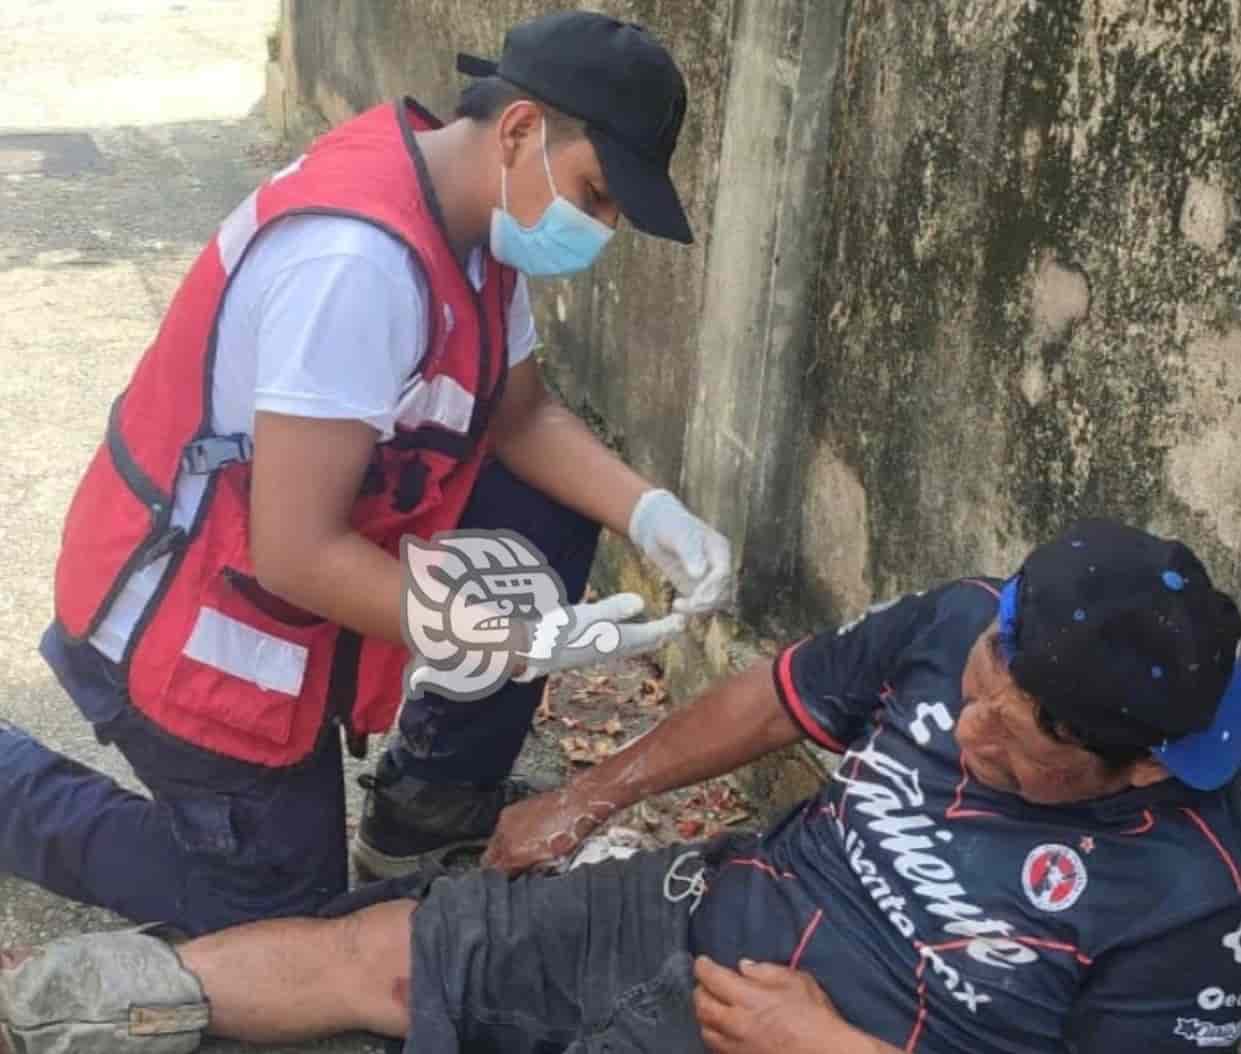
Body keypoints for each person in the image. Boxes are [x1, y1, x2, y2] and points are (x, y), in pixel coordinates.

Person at [0, 10, 733, 938]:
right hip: (183, 624)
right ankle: (10, 786)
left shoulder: (471, 219)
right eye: (594, 193)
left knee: (548, 492)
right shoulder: (356, 265)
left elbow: (520, 414)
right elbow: (296, 556)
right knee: (275, 911)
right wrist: (511, 639)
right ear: (519, 131)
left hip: (286, 569)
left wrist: (653, 513)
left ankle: (428, 803)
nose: (600, 228)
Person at [6, 518, 1241, 1054]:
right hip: (700, 909)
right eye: (978, 682)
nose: (968, 730)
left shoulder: (1193, 884)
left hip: (835, 1035)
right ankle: (67, 1008)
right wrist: (582, 798)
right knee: (389, 952)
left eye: (1021, 743)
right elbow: (773, 694)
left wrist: (822, 1044)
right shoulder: (962, 614)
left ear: (1132, 764)